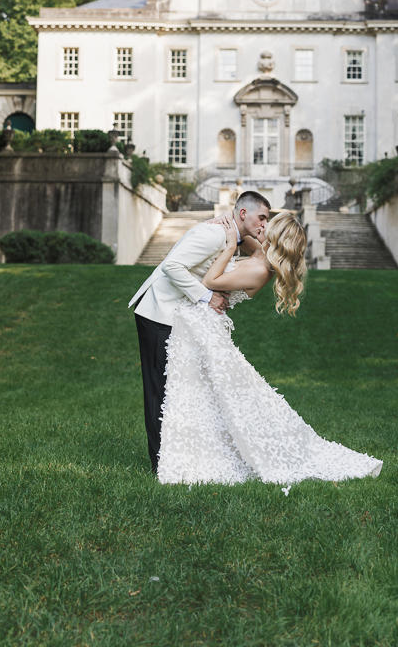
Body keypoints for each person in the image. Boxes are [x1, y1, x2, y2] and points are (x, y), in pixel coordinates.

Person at [157, 210, 383, 486]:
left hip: (203, 326)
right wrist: (226, 224)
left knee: (209, 394)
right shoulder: (260, 253)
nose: (261, 226)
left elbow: (209, 283)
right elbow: (245, 236)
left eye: (268, 225)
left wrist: (229, 247)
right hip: (198, 324)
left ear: (275, 238)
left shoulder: (258, 270)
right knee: (205, 393)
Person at [128, 190, 271, 473]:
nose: (264, 224)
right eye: (262, 217)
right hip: (159, 312)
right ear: (243, 214)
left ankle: (177, 452)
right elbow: (172, 266)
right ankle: (161, 463)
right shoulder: (214, 235)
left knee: (177, 390)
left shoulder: (232, 235)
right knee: (159, 391)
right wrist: (207, 297)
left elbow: (255, 246)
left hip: (178, 317)